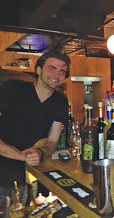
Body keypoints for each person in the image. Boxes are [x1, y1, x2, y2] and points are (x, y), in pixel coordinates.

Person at [0, 51, 70, 217]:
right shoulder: (12, 88)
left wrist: (39, 152)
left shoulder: (60, 102)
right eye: (52, 68)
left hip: (21, 177)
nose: (56, 75)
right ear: (38, 70)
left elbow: (53, 141)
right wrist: (21, 156)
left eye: (62, 71)